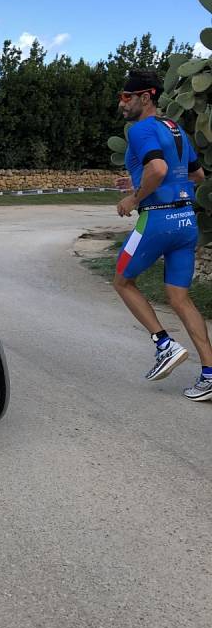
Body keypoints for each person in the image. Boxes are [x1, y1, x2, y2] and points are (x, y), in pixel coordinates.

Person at [113, 68, 212, 402]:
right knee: (180, 298)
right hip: (186, 222)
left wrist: (134, 197)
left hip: (156, 221)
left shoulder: (140, 130)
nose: (121, 102)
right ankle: (210, 374)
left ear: (145, 97)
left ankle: (164, 345)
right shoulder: (176, 128)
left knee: (123, 281)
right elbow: (196, 175)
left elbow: (157, 169)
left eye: (127, 97)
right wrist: (138, 183)